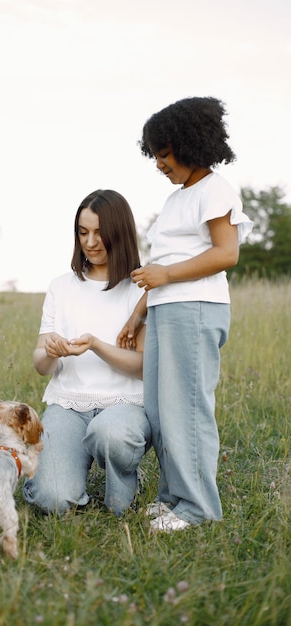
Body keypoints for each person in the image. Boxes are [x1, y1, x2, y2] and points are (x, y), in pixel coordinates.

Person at [118, 97, 252, 532]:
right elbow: (160, 269)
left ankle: (197, 507)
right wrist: (138, 313)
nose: (159, 164)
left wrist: (166, 276)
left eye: (163, 153)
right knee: (161, 410)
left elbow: (226, 253)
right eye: (154, 155)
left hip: (195, 308)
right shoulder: (179, 198)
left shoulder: (216, 188)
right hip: (165, 310)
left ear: (191, 144)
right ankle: (174, 497)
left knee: (187, 409)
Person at [23, 189, 151, 517]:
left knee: (109, 433)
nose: (90, 242)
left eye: (99, 232)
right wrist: (50, 352)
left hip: (126, 406)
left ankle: (121, 481)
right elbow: (41, 365)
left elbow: (143, 367)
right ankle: (57, 476)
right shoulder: (60, 287)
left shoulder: (140, 287)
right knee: (52, 499)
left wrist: (95, 345)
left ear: (119, 233)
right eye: (83, 232)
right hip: (69, 405)